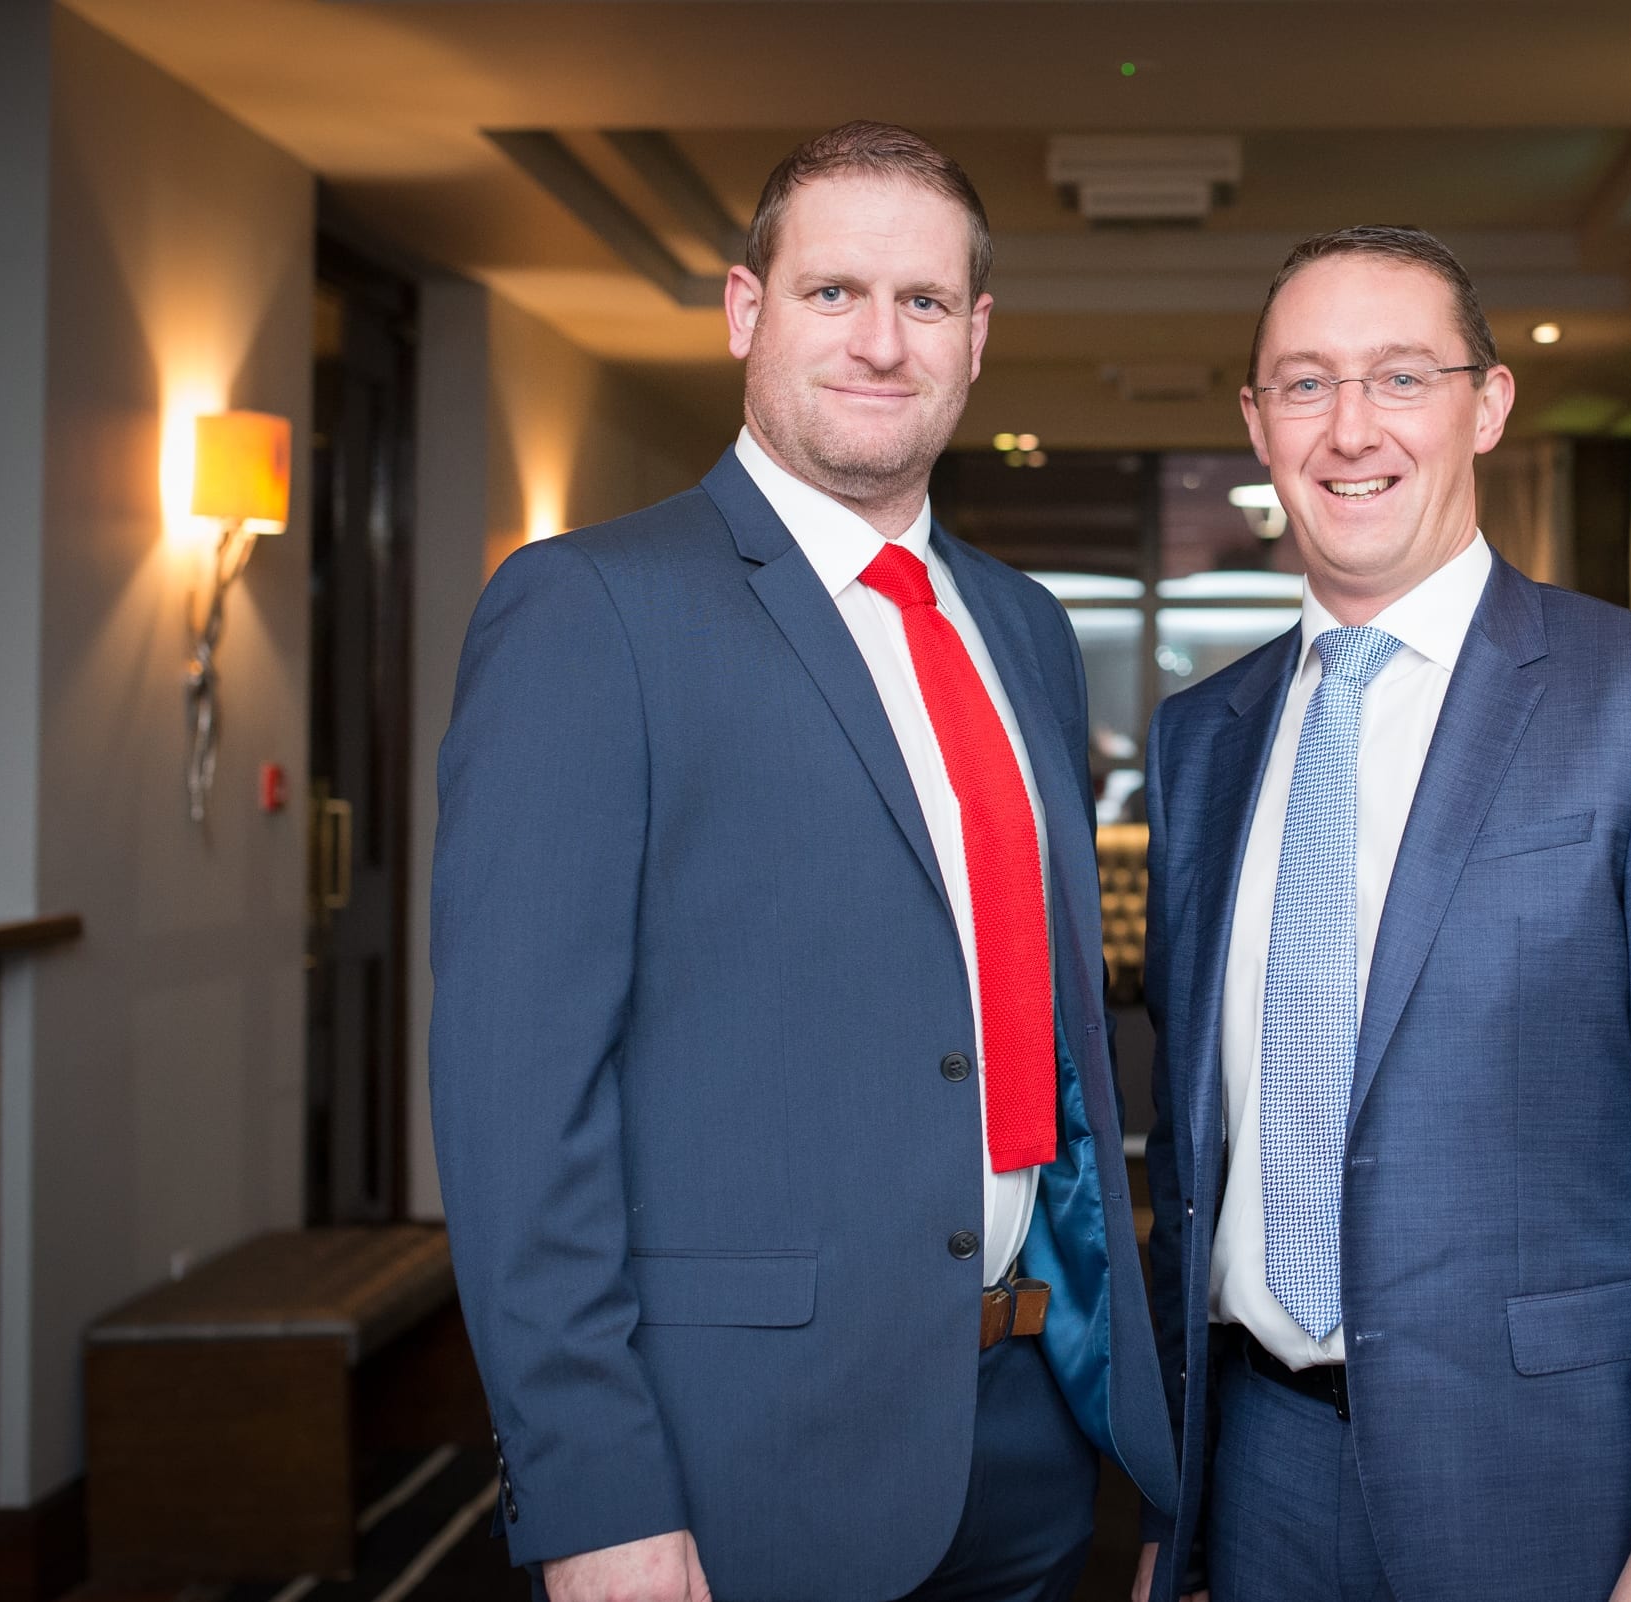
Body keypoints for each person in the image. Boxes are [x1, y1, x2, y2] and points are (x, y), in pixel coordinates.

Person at [432, 121, 1174, 1602]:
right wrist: (594, 1495)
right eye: (834, 292)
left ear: (975, 339)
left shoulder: (1024, 626)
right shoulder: (590, 611)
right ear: (745, 313)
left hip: (1032, 1436)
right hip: (734, 1462)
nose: (879, 342)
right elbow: (519, 1106)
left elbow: (1053, 1049)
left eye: (921, 304)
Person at [1133, 226, 1631, 1602]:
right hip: (1257, 1468)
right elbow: (1196, 1138)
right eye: (1308, 384)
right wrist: (1181, 1499)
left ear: (1488, 403)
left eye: (1400, 377)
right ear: (1258, 423)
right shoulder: (1200, 738)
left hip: (1558, 1484)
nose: (1350, 430)